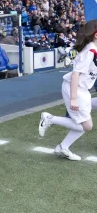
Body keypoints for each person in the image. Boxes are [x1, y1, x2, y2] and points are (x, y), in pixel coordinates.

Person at [39, 19, 97, 160]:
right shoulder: (90, 50)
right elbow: (76, 73)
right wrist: (73, 98)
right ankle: (49, 119)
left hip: (82, 90)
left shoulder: (92, 48)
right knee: (86, 126)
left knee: (83, 125)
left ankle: (62, 148)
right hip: (75, 88)